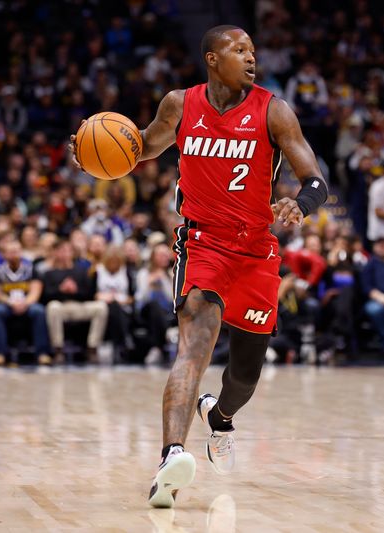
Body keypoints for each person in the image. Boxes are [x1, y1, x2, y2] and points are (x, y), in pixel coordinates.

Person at [69, 25, 328, 508]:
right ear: (212, 58)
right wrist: (93, 156)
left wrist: (301, 204)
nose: (251, 58)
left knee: (246, 375)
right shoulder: (180, 105)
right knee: (195, 345)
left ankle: (221, 417)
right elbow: (140, 147)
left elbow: (314, 178)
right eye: (239, 50)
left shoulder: (273, 110)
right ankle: (170, 456)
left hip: (256, 251)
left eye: (253, 50)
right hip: (202, 243)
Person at [42, 239, 107, 364]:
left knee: (101, 307)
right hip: (61, 307)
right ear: (55, 253)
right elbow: (45, 297)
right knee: (52, 307)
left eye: (68, 250)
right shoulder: (49, 273)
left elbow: (89, 294)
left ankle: (92, 348)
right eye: (61, 250)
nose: (65, 253)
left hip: (80, 305)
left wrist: (75, 291)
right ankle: (58, 349)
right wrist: (61, 290)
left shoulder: (81, 271)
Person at [0, 239, 50, 365]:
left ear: (21, 252)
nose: (14, 255)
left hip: (27, 303)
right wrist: (10, 302)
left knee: (38, 311)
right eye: (10, 252)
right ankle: (0, 353)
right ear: (4, 254)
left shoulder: (31, 269)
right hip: (7, 304)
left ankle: (42, 353)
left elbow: (35, 291)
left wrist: (25, 303)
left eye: (16, 251)